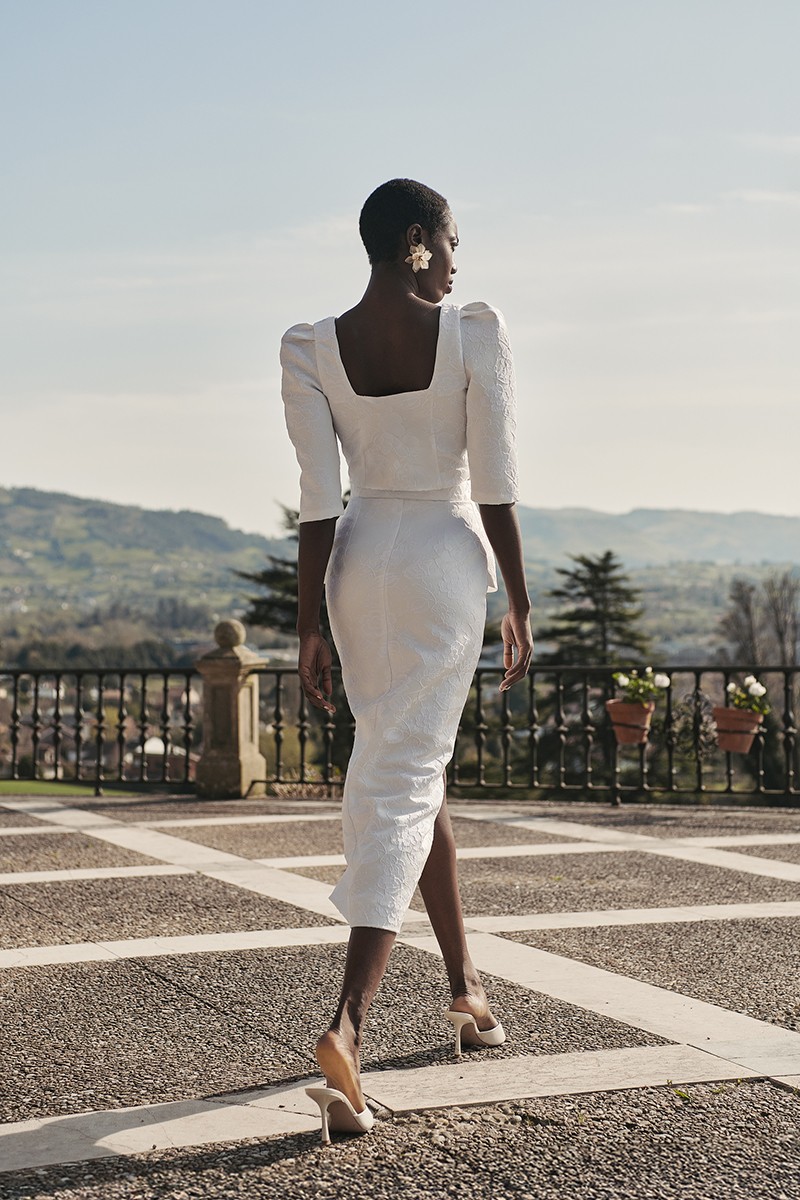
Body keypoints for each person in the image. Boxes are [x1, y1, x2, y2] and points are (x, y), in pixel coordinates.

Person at [280, 178, 533, 1143]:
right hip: (440, 562)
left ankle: (466, 989)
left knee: (402, 770)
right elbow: (500, 485)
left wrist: (306, 624)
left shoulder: (311, 346)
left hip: (357, 570)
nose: (461, 261)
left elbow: (315, 501)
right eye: (455, 241)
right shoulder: (474, 333)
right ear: (421, 241)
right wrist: (516, 594)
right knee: (407, 774)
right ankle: (348, 1024)